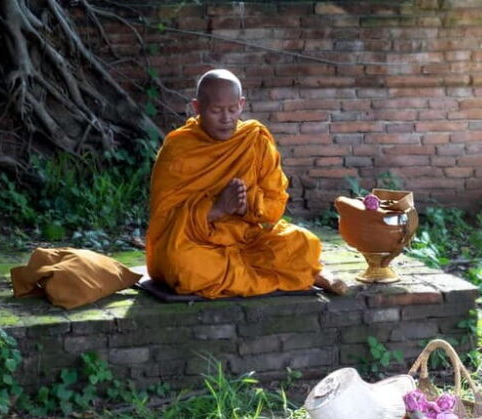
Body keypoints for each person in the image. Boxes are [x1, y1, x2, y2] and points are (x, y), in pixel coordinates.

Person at [146, 69, 346, 298]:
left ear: (241, 104)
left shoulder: (254, 140)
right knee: (183, 265)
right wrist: (215, 210)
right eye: (216, 111)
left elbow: (275, 206)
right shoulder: (179, 149)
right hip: (194, 243)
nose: (226, 118)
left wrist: (246, 205)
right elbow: (164, 220)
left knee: (302, 243)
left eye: (233, 109)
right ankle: (300, 275)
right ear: (197, 108)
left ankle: (301, 272)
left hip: (246, 240)